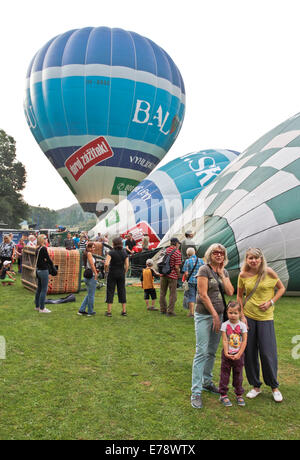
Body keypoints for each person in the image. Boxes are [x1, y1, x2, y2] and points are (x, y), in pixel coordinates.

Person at [237, 247, 286, 403]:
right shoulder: (243, 275)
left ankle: (274, 387)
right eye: (250, 258)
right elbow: (239, 296)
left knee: (267, 352)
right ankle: (255, 386)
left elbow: (281, 288)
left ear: (261, 259)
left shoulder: (269, 272)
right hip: (249, 317)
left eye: (256, 258)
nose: (253, 260)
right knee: (250, 352)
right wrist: (242, 316)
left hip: (266, 318)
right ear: (247, 260)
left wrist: (270, 302)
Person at [191, 243, 234, 409]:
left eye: (221, 253)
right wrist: (215, 315)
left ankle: (206, 382)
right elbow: (202, 294)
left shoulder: (224, 271)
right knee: (201, 351)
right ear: (210, 254)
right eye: (215, 253)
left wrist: (223, 275)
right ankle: (195, 391)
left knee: (211, 352)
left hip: (220, 316)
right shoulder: (204, 270)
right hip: (205, 316)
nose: (218, 255)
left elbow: (230, 292)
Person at [218, 301, 248, 407]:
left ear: (240, 313)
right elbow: (225, 340)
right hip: (227, 355)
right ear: (227, 312)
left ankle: (239, 394)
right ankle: (223, 394)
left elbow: (244, 341)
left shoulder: (243, 326)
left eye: (235, 313)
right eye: (230, 313)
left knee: (238, 374)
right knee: (224, 374)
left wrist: (239, 353)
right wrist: (226, 352)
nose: (233, 315)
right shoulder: (224, 325)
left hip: (238, 355)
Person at [104, 237, 129, 317]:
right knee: (122, 291)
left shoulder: (111, 252)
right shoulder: (124, 252)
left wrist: (106, 270)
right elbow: (127, 265)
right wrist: (125, 271)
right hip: (121, 273)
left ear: (114, 244)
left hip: (112, 273)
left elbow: (106, 264)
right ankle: (124, 311)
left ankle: (109, 312)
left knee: (110, 291)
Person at [159, 237, 182, 317]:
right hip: (172, 275)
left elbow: (159, 261)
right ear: (176, 243)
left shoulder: (164, 250)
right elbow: (176, 267)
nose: (179, 245)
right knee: (172, 294)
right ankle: (170, 311)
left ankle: (162, 309)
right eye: (178, 243)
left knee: (162, 293)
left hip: (163, 274)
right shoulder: (177, 252)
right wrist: (179, 275)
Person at [35, 234, 56, 313]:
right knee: (44, 289)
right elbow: (48, 259)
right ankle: (42, 308)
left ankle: (37, 306)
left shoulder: (37, 249)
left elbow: (41, 259)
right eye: (45, 238)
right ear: (42, 240)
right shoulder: (43, 248)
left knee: (39, 289)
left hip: (38, 270)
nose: (46, 239)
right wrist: (52, 266)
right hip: (43, 270)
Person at [77, 242, 98, 317]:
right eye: (92, 247)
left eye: (94, 247)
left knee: (89, 294)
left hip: (87, 275)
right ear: (88, 248)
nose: (93, 249)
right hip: (91, 276)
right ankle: (90, 311)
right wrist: (96, 273)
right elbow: (92, 265)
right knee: (91, 295)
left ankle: (81, 310)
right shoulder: (89, 254)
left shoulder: (86, 253)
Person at [183, 248, 204, 317]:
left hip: (191, 281)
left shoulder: (187, 261)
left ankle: (191, 312)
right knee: (199, 296)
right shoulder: (201, 261)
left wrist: (187, 279)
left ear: (188, 254)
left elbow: (186, 273)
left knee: (191, 296)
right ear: (195, 252)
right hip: (200, 280)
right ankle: (199, 311)